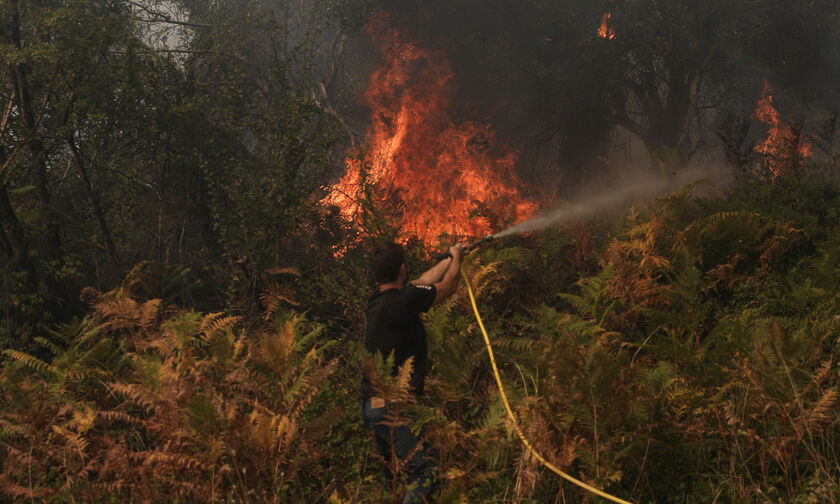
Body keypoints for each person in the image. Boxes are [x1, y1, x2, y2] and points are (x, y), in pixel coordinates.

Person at [361, 241, 467, 504]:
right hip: (393, 406)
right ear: (403, 268)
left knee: (394, 482)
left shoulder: (378, 302)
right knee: (426, 471)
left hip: (371, 406)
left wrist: (448, 257)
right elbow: (449, 286)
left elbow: (420, 282)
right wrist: (456, 261)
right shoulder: (406, 300)